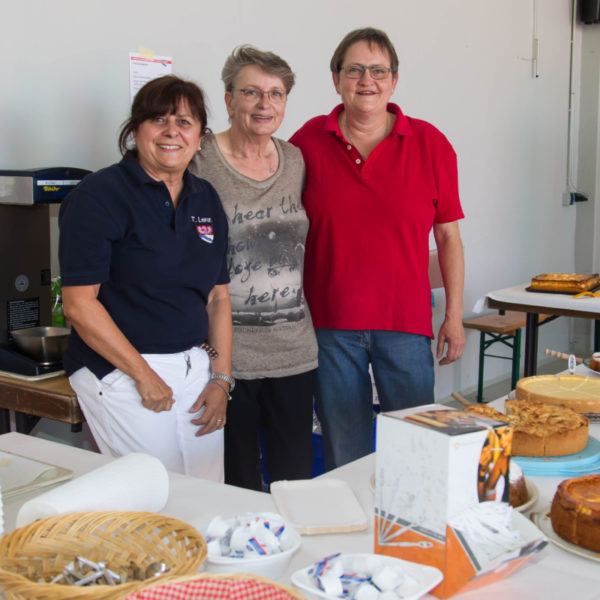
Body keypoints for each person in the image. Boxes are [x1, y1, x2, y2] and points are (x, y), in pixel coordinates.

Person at [290, 27, 465, 470]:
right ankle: (351, 534)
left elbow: (448, 237)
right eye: (354, 70)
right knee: (344, 452)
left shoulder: (431, 144)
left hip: (405, 323)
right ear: (336, 79)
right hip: (330, 324)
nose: (366, 80)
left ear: (394, 80)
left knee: (416, 449)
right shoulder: (307, 142)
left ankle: (409, 534)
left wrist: (454, 316)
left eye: (378, 70)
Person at [59, 75, 232, 481]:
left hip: (195, 366)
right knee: (157, 491)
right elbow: (79, 305)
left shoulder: (204, 196)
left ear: (201, 137)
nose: (172, 131)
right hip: (120, 369)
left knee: (209, 492)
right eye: (158, 119)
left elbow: (218, 300)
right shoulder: (99, 195)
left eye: (185, 122)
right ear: (135, 131)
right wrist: (142, 374)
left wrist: (221, 380)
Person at [189, 45, 318, 491]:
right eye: (252, 93)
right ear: (228, 100)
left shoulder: (295, 160)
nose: (265, 105)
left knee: (295, 483)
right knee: (236, 485)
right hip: (228, 357)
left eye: (276, 94)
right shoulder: (200, 158)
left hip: (294, 351)